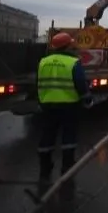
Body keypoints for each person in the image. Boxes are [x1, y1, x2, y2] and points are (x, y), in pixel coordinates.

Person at [36, 32, 91, 187]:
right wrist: (87, 99)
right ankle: (66, 168)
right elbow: (80, 83)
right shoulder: (73, 62)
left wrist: (41, 101)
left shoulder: (43, 62)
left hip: (48, 105)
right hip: (69, 105)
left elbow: (38, 83)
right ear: (67, 45)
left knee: (47, 136)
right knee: (69, 135)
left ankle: (44, 171)